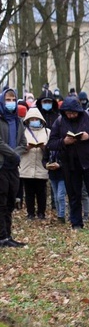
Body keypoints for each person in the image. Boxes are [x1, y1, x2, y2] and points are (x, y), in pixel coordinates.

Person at [47, 95, 89, 231]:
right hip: (70, 163)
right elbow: (51, 143)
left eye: (73, 113)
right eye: (68, 113)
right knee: (74, 194)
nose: (71, 115)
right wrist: (64, 142)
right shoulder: (59, 122)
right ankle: (76, 223)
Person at [0, 89, 26, 247]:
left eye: (13, 99)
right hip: (2, 166)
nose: (10, 102)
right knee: (1, 202)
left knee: (11, 201)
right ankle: (2, 236)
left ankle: (8, 235)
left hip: (13, 167)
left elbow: (23, 143)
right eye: (7, 99)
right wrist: (12, 154)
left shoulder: (18, 121)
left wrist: (16, 155)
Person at [20, 107, 50, 220]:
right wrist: (26, 148)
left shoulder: (47, 132)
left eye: (36, 119)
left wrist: (44, 148)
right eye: (31, 119)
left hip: (41, 166)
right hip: (27, 166)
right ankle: (30, 213)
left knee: (41, 192)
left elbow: (52, 149)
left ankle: (41, 213)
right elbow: (18, 148)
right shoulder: (23, 132)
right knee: (29, 192)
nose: (34, 121)